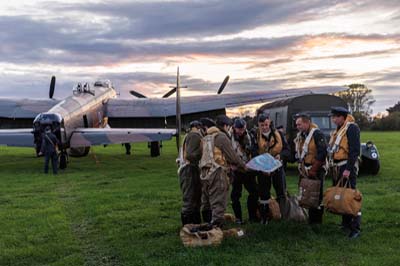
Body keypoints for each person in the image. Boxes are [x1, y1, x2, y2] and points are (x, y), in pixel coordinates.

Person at [199, 115, 246, 228]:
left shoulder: (206, 136)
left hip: (205, 173)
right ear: (225, 126)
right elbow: (232, 157)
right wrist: (243, 166)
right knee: (218, 203)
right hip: (218, 173)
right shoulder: (221, 137)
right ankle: (216, 231)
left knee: (207, 202)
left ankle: (206, 225)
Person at [328, 106, 361, 239]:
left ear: (342, 117)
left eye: (335, 117)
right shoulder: (340, 129)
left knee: (350, 196)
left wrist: (348, 169)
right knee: (342, 196)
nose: (333, 119)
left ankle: (355, 228)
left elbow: (354, 151)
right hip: (337, 167)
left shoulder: (352, 128)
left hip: (346, 166)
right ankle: (346, 223)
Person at [250, 113, 286, 224]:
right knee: (264, 194)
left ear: (269, 122)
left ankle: (283, 215)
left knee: (281, 191)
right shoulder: (255, 136)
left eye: (266, 124)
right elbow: (254, 152)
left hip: (277, 168)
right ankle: (265, 217)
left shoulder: (278, 134)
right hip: (263, 169)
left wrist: (281, 156)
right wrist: (263, 167)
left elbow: (287, 150)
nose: (265, 127)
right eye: (262, 125)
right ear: (258, 125)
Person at [294, 113, 327, 224]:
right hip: (306, 168)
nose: (297, 127)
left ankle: (316, 221)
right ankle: (311, 219)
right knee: (307, 194)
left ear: (307, 122)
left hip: (316, 169)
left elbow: (322, 152)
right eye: (297, 125)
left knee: (316, 195)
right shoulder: (303, 134)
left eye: (299, 124)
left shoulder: (317, 134)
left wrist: (314, 169)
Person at [229, 118, 258, 224]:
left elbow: (255, 149)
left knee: (254, 192)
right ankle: (238, 218)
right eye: (239, 129)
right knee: (235, 195)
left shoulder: (250, 135)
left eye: (243, 129)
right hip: (236, 169)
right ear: (234, 127)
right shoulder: (229, 137)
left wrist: (251, 150)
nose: (241, 131)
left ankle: (253, 216)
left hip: (248, 168)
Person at [178, 120, 204, 225]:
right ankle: (187, 226)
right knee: (190, 199)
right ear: (198, 127)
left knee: (195, 199)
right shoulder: (194, 135)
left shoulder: (189, 135)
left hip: (188, 169)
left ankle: (194, 224)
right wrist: (202, 151)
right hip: (190, 169)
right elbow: (189, 155)